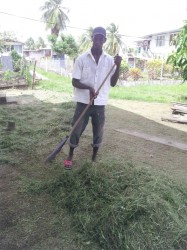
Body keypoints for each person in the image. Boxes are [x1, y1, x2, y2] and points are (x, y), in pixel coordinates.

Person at [64, 26, 122, 169]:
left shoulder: (110, 61)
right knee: (76, 129)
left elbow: (113, 83)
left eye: (101, 38)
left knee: (98, 131)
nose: (98, 40)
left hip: (100, 103)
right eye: (96, 37)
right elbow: (74, 81)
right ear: (92, 38)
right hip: (83, 102)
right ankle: (70, 156)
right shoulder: (82, 59)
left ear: (104, 40)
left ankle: (94, 158)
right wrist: (89, 88)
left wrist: (118, 66)